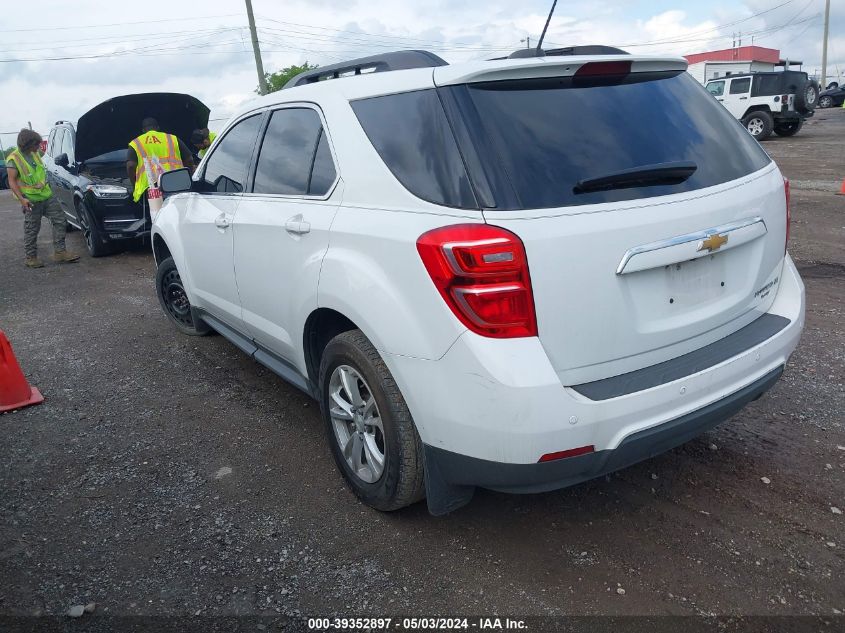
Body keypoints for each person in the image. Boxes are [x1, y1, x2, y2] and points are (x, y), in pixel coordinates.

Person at [6, 129, 79, 268]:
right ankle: (31, 257)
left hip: (46, 195)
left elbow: (44, 168)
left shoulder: (35, 154)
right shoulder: (14, 159)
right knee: (32, 228)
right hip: (30, 199)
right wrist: (22, 200)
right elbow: (12, 181)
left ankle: (60, 252)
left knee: (60, 221)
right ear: (26, 144)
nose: (38, 147)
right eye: (35, 144)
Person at [126, 117, 194, 205]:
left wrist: (135, 185)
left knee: (154, 214)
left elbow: (130, 166)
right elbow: (189, 159)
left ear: (143, 130)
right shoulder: (172, 138)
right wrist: (187, 176)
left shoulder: (136, 143)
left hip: (150, 187)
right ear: (158, 128)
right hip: (175, 184)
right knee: (177, 211)